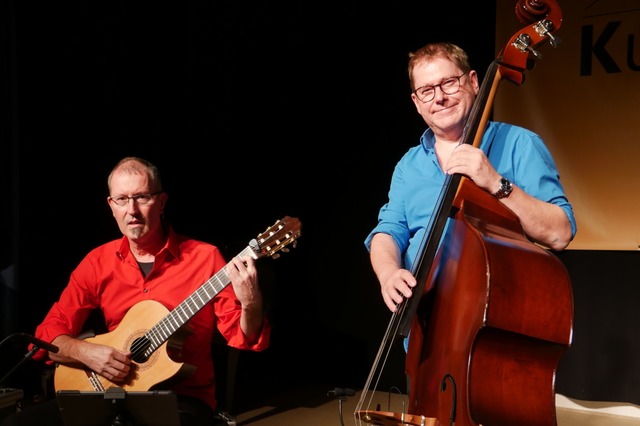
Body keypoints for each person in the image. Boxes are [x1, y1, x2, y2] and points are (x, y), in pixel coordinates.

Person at [2, 156, 270, 426]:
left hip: (181, 398)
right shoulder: (97, 262)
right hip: (108, 394)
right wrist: (87, 353)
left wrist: (251, 302)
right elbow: (46, 337)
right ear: (111, 206)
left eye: (142, 197)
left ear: (162, 202)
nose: (132, 210)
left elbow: (243, 337)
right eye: (121, 199)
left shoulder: (205, 257)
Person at [364, 42, 576, 316]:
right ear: (416, 103)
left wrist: (495, 182)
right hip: (424, 328)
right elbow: (388, 231)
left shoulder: (520, 144)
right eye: (426, 91)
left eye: (449, 83)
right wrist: (389, 273)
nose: (439, 98)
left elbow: (560, 234)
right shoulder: (409, 165)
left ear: (474, 82)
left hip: (499, 318)